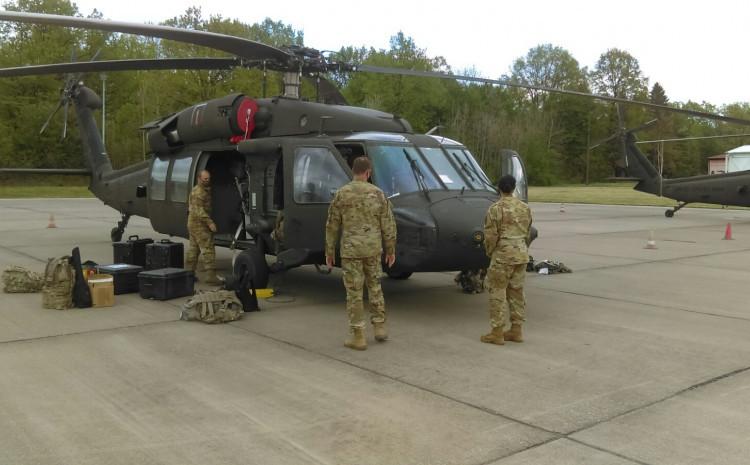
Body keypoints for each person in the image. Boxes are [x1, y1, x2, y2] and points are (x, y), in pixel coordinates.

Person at [325, 156, 397, 351]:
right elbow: (388, 224)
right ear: (368, 172)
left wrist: (329, 250)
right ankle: (379, 326)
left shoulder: (342, 194)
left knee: (354, 293)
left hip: (351, 251)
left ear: (353, 171)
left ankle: (358, 336)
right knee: (375, 286)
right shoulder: (379, 194)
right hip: (372, 249)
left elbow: (332, 225)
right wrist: (390, 249)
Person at [481, 174, 532, 345]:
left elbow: (490, 235)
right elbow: (528, 230)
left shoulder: (495, 208)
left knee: (497, 291)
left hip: (503, 255)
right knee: (516, 292)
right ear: (514, 187)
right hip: (521, 254)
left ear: (499, 188)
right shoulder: (524, 207)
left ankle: (497, 332)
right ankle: (516, 330)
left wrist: (490, 252)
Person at [186, 169, 221, 285]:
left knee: (193, 249)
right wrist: (210, 222)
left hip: (193, 223)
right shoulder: (199, 192)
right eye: (205, 179)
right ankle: (211, 276)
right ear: (199, 179)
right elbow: (199, 210)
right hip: (199, 224)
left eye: (208, 179)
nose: (207, 181)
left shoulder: (201, 190)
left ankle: (188, 274)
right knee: (208, 248)